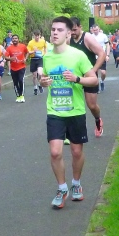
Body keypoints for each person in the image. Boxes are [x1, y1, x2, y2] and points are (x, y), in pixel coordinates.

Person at [40, 17, 99, 209]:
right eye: (53, 29)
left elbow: (94, 80)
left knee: (76, 151)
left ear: (68, 34)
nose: (55, 33)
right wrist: (43, 82)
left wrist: (76, 79)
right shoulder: (47, 57)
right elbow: (45, 78)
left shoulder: (78, 55)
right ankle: (62, 188)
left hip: (75, 111)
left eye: (59, 30)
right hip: (55, 111)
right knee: (55, 152)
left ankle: (76, 184)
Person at [69, 17, 107, 137]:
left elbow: (102, 54)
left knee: (91, 105)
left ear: (80, 27)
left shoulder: (87, 38)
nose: (72, 33)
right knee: (71, 103)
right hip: (74, 76)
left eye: (75, 30)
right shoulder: (68, 39)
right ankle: (70, 130)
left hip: (89, 76)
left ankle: (98, 120)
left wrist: (93, 71)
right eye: (70, 30)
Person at [4, 34, 29, 103]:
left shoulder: (23, 46)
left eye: (16, 38)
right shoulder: (9, 48)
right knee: (15, 82)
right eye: (13, 39)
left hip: (21, 67)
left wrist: (25, 58)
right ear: (11, 40)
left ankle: (22, 95)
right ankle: (18, 96)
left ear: (18, 39)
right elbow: (5, 57)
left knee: (21, 80)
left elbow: (27, 52)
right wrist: (10, 59)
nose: (14, 40)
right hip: (13, 68)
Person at [27, 30, 47, 95]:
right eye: (36, 36)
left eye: (38, 36)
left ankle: (39, 85)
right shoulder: (30, 43)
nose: (37, 37)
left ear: (40, 35)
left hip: (40, 59)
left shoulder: (43, 41)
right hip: (33, 59)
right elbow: (28, 52)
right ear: (34, 36)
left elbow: (45, 47)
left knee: (40, 73)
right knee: (34, 75)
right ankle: (35, 87)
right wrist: (33, 51)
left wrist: (45, 54)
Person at [93, 26, 110, 92]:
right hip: (94, 56)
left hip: (102, 56)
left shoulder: (103, 36)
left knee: (103, 72)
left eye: (96, 30)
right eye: (94, 30)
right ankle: (96, 87)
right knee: (95, 72)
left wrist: (107, 55)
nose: (95, 31)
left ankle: (102, 81)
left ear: (99, 29)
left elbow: (107, 45)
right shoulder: (91, 37)